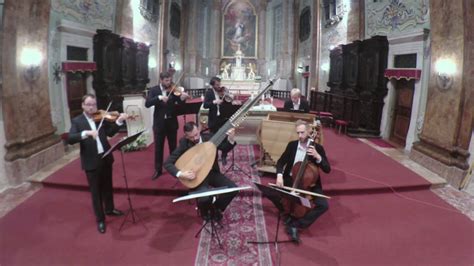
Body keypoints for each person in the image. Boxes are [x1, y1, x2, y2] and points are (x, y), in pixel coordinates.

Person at [67, 94, 128, 234]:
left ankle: (110, 209)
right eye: (88, 104)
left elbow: (110, 133)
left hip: (106, 157)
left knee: (108, 186)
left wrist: (118, 122)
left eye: (93, 104)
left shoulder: (99, 117)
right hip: (91, 161)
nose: (91, 107)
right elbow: (70, 138)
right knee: (96, 192)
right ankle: (100, 219)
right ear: (82, 105)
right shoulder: (77, 121)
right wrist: (86, 133)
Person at [164, 122, 238, 221]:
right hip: (197, 176)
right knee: (204, 198)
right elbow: (168, 163)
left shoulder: (210, 138)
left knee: (233, 189)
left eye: (196, 134)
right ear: (186, 136)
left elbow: (225, 148)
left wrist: (231, 139)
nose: (195, 138)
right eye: (191, 137)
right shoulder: (184, 143)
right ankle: (204, 211)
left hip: (212, 172)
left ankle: (216, 208)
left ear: (199, 130)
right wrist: (181, 174)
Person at [274, 120, 331, 243]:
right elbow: (280, 162)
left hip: (309, 183)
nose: (300, 136)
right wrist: (279, 175)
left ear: (309, 131)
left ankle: (296, 224)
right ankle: (288, 213)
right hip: (291, 179)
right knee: (273, 193)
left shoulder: (318, 148)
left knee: (323, 205)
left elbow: (327, 169)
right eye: (298, 133)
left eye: (302, 132)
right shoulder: (292, 145)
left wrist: (318, 156)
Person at [145, 72, 190, 180]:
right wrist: (159, 98)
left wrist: (183, 98)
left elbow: (180, 103)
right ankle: (158, 170)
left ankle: (174, 169)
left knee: (173, 147)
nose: (169, 83)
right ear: (161, 80)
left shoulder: (174, 90)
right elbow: (147, 104)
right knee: (158, 148)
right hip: (159, 124)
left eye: (170, 80)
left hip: (171, 123)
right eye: (166, 80)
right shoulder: (154, 90)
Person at [203, 76, 234, 165]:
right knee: (215, 139)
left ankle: (224, 155)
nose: (219, 86)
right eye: (217, 85)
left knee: (225, 139)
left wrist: (229, 96)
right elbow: (205, 105)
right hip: (213, 120)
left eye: (219, 84)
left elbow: (229, 102)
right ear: (212, 85)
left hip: (223, 119)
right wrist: (214, 102)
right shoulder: (209, 93)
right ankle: (214, 157)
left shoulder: (223, 91)